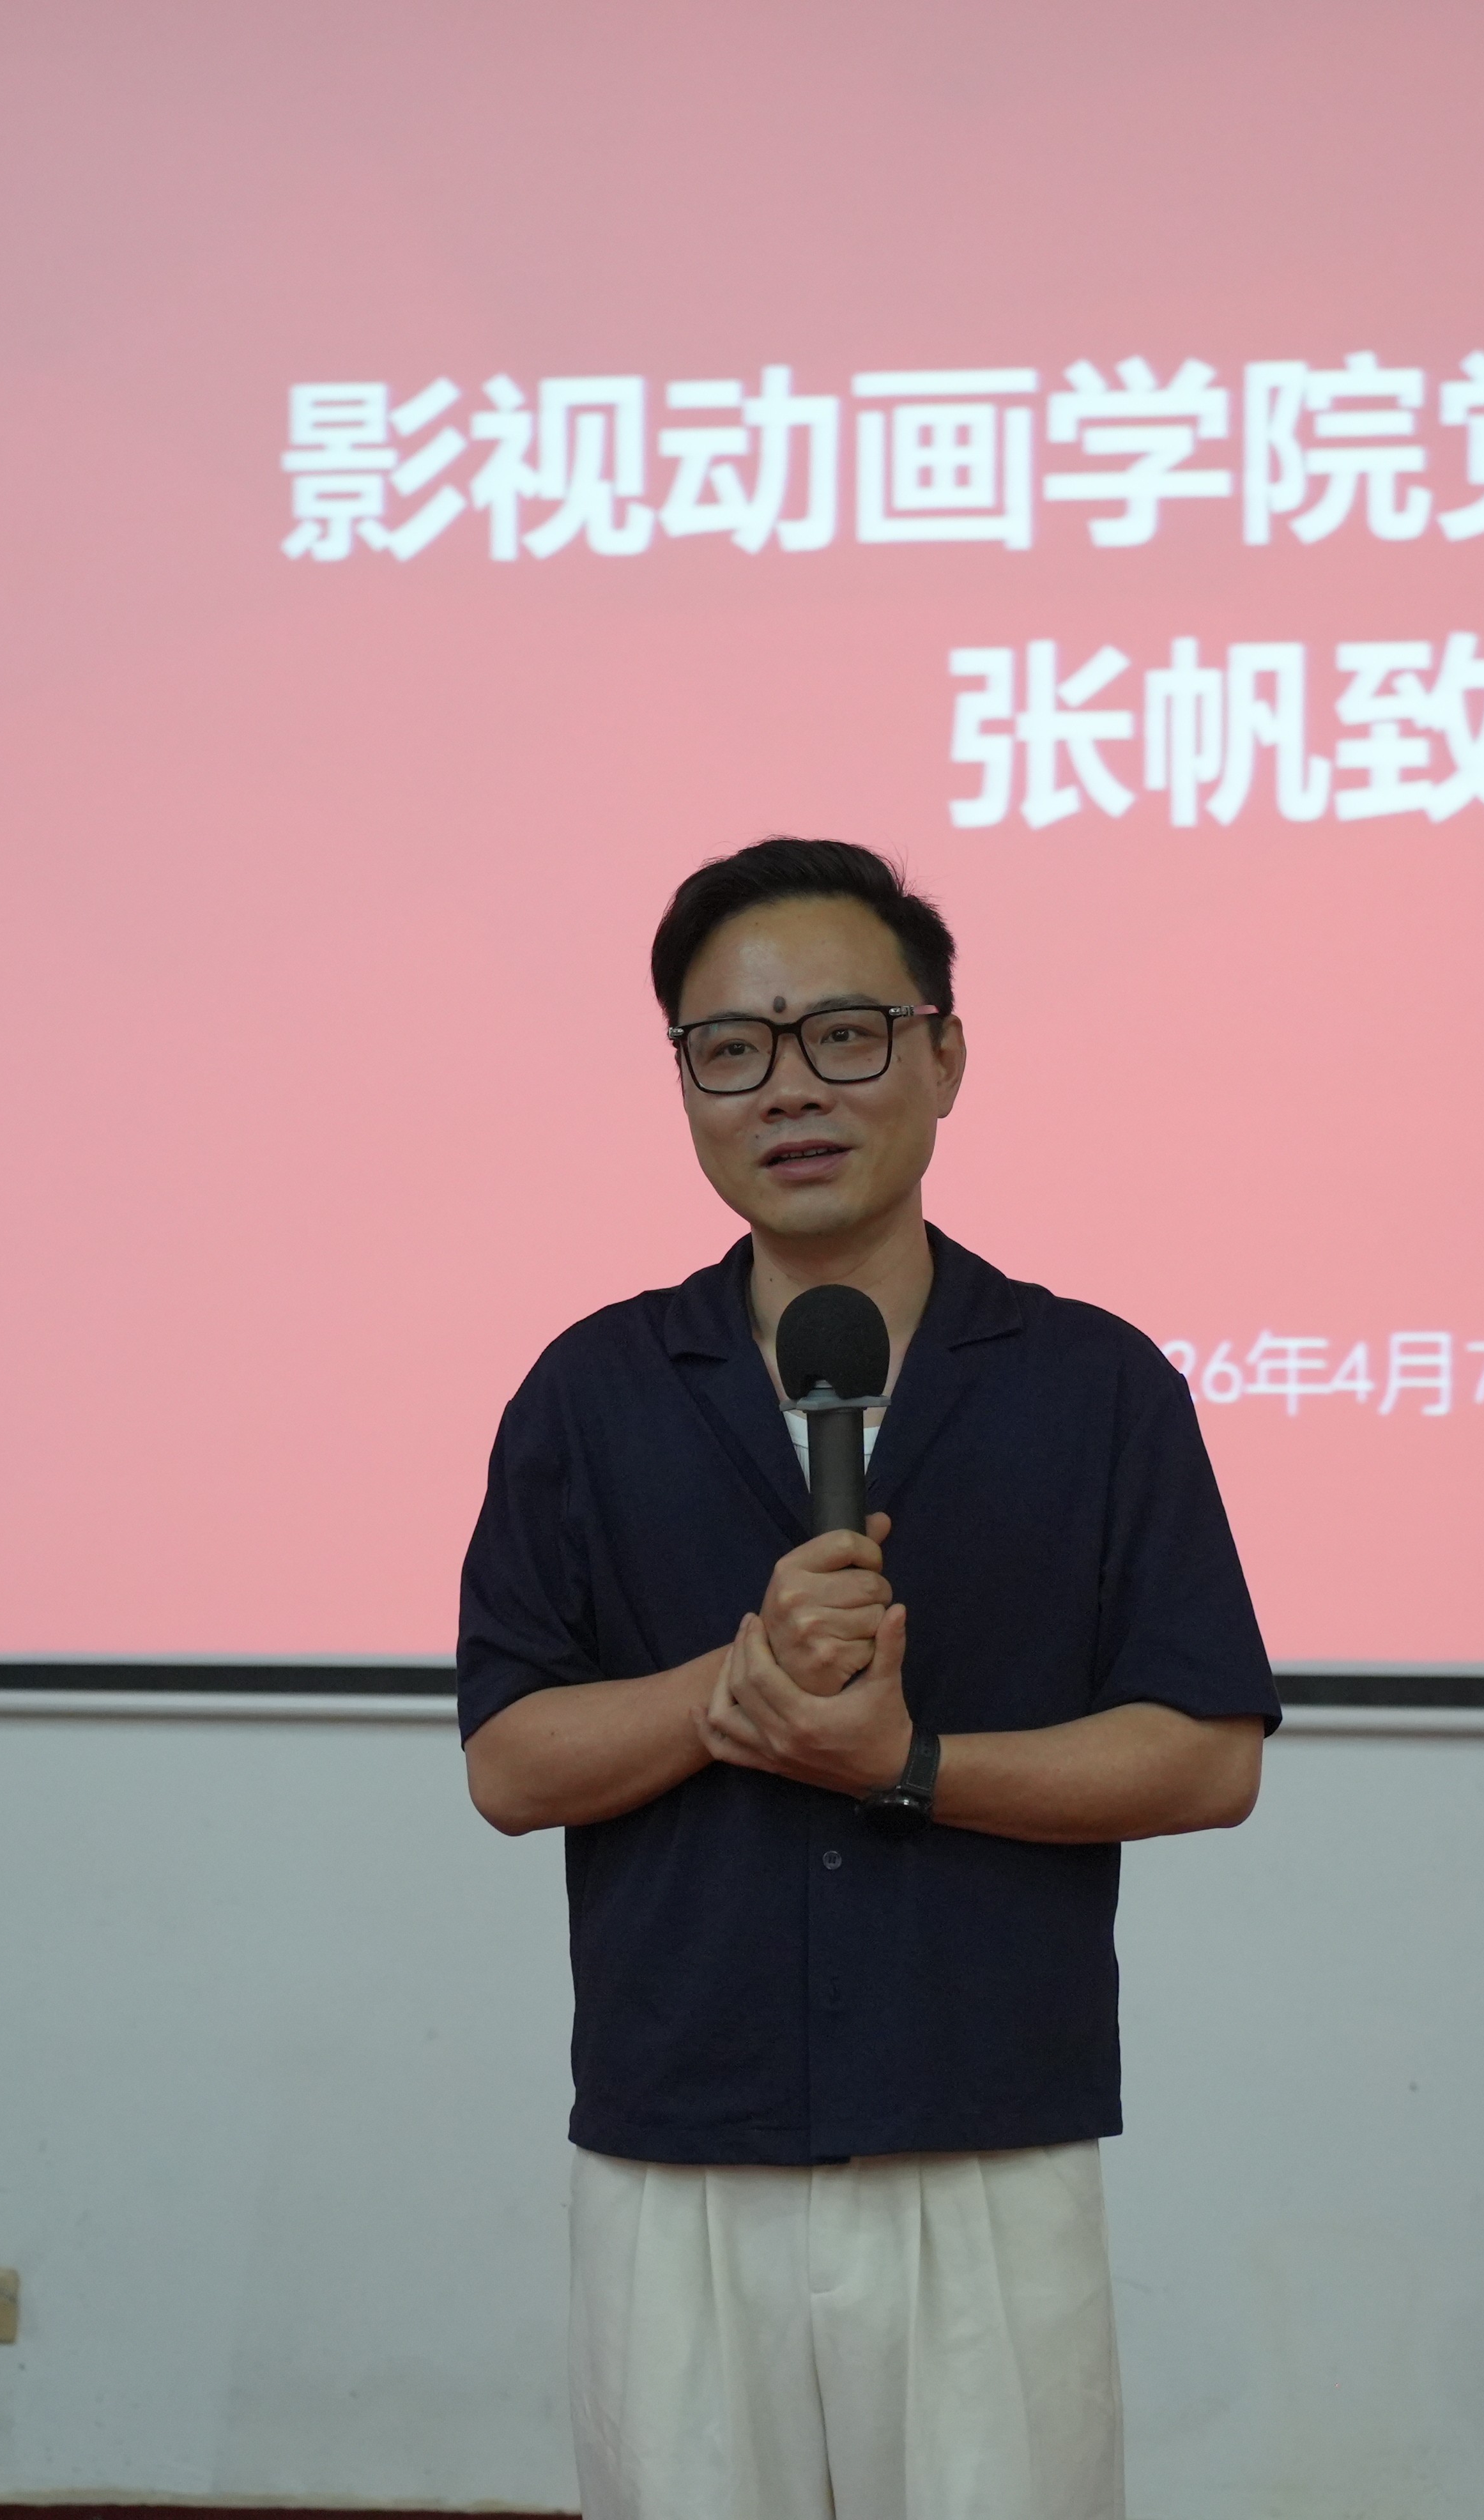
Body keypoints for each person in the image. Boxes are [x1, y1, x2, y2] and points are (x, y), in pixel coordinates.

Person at [457, 835, 1280, 2520]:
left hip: (983, 2131)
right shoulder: (593, 1392)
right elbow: (511, 1763)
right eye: (731, 1048)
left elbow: (1208, 1757)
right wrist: (729, 1691)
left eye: (844, 1034)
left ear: (944, 1055)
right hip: (682, 2142)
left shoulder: (1094, 1385)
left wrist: (908, 1765)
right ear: (686, 1085)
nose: (789, 1087)